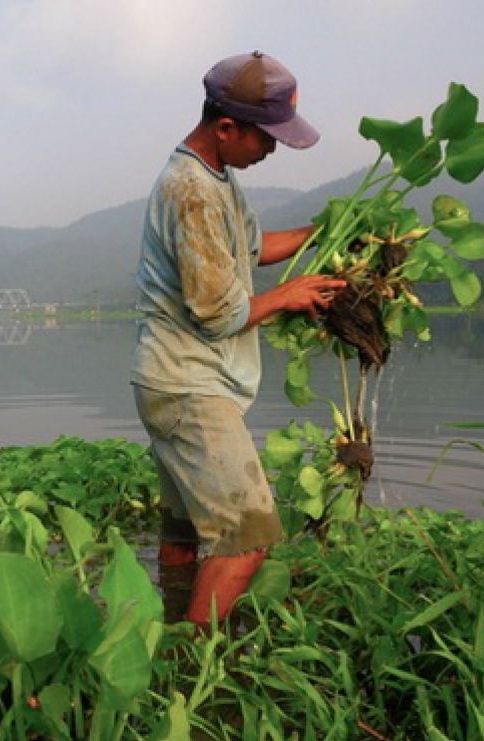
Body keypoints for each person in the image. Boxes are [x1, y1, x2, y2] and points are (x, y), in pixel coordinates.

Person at [131, 51, 345, 630]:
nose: (272, 149)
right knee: (247, 538)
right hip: (188, 387)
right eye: (265, 137)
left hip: (169, 379)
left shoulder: (217, 178)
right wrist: (289, 296)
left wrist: (322, 231)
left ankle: (171, 621)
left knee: (187, 529)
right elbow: (217, 313)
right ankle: (196, 667)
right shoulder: (192, 192)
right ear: (226, 126)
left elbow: (251, 250)